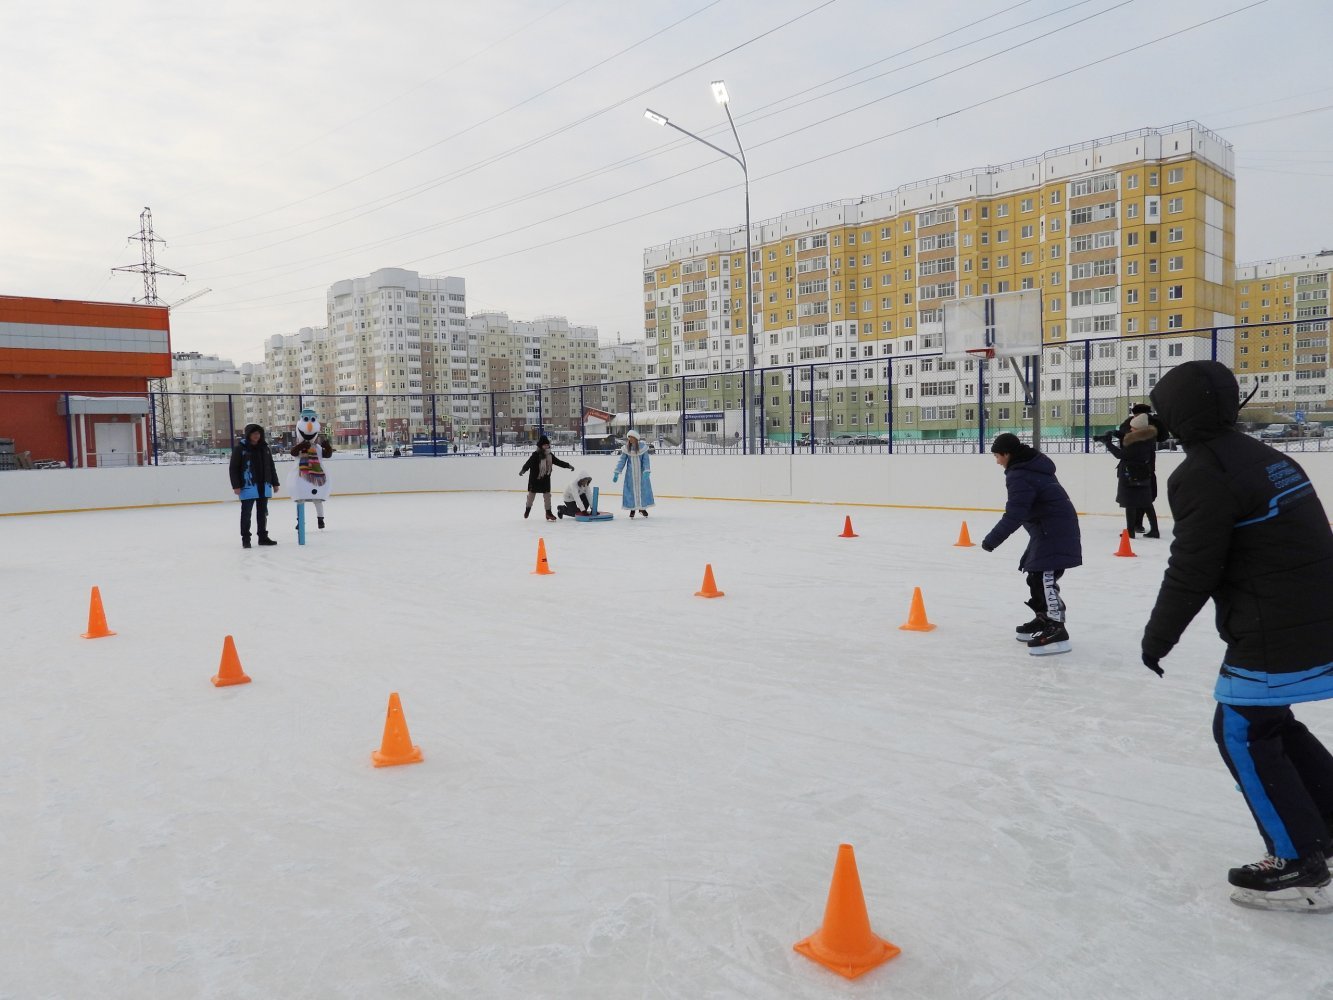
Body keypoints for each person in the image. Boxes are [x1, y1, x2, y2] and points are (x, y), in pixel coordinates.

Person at [1140, 360, 1333, 913]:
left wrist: (1159, 638)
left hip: (1277, 628)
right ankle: (1326, 829)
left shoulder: (1203, 472)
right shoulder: (1269, 458)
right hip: (1312, 615)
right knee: (1268, 722)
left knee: (1242, 730)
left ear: (1179, 412)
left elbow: (1193, 568)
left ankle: (1297, 860)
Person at [980, 433, 1082, 655]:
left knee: (1045, 578)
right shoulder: (1030, 468)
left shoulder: (1020, 475)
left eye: (997, 456)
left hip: (1054, 530)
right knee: (1035, 575)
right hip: (1048, 529)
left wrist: (992, 540)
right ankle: (1044, 619)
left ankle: (1057, 628)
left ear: (1007, 454)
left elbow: (1015, 514)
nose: (997, 461)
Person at [1103, 412, 1160, 538]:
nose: (1130, 429)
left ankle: (1130, 531)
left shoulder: (1136, 442)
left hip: (1131, 474)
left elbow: (1121, 455)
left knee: (1130, 503)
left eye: (1133, 427)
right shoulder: (1147, 438)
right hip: (1144, 474)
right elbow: (1131, 438)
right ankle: (1155, 530)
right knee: (1146, 503)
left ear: (1139, 429)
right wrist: (1117, 434)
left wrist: (1108, 443)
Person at [228, 424, 280, 548]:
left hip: (264, 484)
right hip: (248, 486)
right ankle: (246, 539)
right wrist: (236, 485)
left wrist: (275, 482)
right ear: (248, 434)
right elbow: (233, 468)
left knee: (262, 513)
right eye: (254, 433)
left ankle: (263, 537)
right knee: (246, 513)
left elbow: (271, 466)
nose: (256, 436)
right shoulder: (240, 448)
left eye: (258, 433)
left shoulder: (265, 448)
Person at [289, 407, 334, 531]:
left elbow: (327, 455)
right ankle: (300, 521)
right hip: (302, 477)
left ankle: (320, 519)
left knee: (317, 499)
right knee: (300, 500)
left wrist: (328, 447)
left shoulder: (317, 447)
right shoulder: (299, 447)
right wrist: (301, 445)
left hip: (317, 477)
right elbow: (293, 452)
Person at [519, 434, 573, 521]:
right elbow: (528, 463)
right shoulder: (535, 455)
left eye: (547, 445)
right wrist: (523, 470)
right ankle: (527, 510)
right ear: (540, 446)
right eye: (545, 445)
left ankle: (548, 513)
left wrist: (568, 466)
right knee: (531, 496)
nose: (546, 446)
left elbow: (558, 462)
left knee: (547, 496)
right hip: (535, 479)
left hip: (545, 479)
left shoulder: (550, 455)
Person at [612, 428, 654, 518]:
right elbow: (622, 461)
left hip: (641, 475)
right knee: (631, 492)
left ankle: (642, 508)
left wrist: (647, 471)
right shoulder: (626, 449)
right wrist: (617, 472)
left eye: (631, 437)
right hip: (630, 476)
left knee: (642, 491)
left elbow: (646, 461)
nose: (629, 439)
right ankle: (632, 509)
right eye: (629, 437)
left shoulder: (643, 448)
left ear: (635, 438)